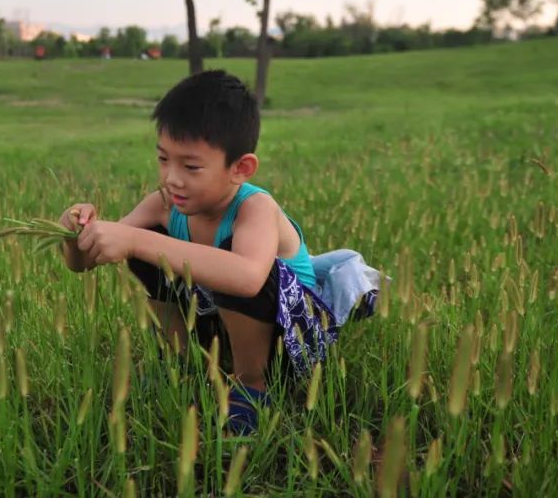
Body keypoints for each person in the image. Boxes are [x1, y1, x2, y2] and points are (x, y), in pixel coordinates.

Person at [58, 69, 380, 435]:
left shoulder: (255, 208)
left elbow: (246, 278)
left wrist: (136, 240)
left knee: (218, 260)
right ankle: (184, 361)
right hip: (223, 325)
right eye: (164, 159)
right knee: (147, 243)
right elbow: (84, 263)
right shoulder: (164, 205)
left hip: (293, 340)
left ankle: (253, 387)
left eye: (191, 166)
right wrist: (74, 235)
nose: (171, 178)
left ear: (240, 168)